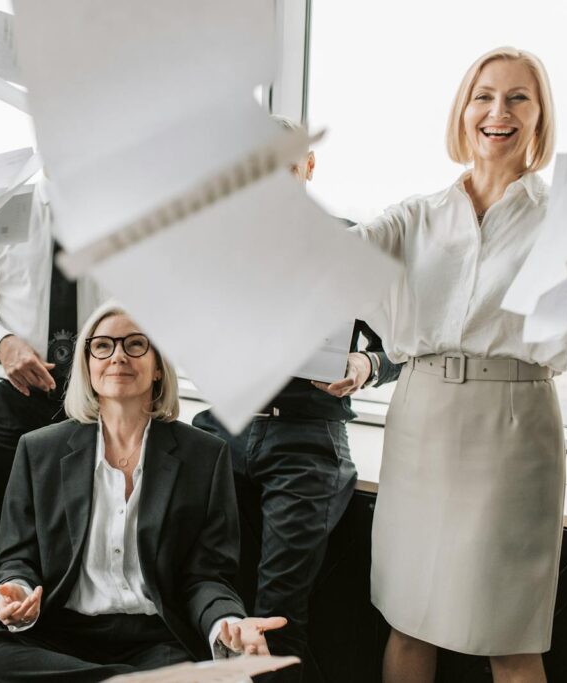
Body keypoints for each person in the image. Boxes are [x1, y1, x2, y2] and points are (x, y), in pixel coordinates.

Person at [355, 47, 567, 683]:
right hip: (420, 421)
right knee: (408, 621)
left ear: (539, 118)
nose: (497, 111)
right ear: (463, 110)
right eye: (484, 95)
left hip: (515, 430)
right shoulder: (415, 217)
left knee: (510, 637)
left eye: (518, 98)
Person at [0, 302, 289, 682]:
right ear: (88, 366)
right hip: (60, 637)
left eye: (135, 344)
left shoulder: (204, 455)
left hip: (157, 640)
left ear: (157, 367)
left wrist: (227, 624)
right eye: (102, 346)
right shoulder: (39, 450)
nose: (118, 355)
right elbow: (16, 559)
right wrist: (17, 595)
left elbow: (208, 576)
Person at [192, 117, 401, 682]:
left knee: (278, 615)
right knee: (212, 603)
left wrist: (365, 365)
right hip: (222, 431)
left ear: (308, 167)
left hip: (306, 437)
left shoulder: (350, 242)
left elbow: (404, 345)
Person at [0, 178, 106, 516]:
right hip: (20, 399)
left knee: (92, 527)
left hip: (99, 398)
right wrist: (4, 344)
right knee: (19, 529)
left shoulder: (115, 211)